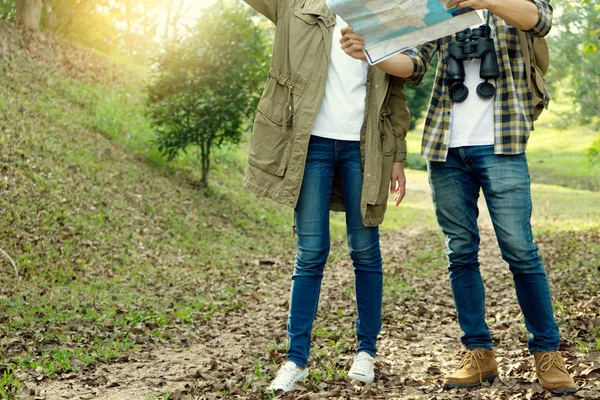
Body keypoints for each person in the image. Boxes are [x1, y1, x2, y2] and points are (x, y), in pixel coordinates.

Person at [341, 0, 576, 394]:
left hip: (503, 142)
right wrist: (370, 53)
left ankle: (548, 353)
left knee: (520, 250)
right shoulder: (438, 7)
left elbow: (541, 20)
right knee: (460, 252)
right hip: (445, 147)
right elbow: (414, 64)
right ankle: (478, 354)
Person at [242, 0, 411, 393]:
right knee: (311, 251)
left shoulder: (383, 13)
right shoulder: (295, 5)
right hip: (310, 145)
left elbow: (396, 93)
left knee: (365, 250)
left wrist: (398, 156)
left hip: (364, 148)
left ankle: (366, 352)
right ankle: (296, 360)